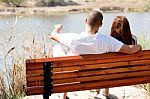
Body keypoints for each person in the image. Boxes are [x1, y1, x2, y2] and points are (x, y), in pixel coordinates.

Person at [50, 10, 142, 99]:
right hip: (95, 79)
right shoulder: (107, 41)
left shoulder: (72, 39)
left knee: (57, 48)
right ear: (101, 24)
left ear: (85, 20)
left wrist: (57, 28)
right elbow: (130, 50)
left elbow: (53, 35)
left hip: (75, 78)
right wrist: (139, 46)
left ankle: (63, 92)